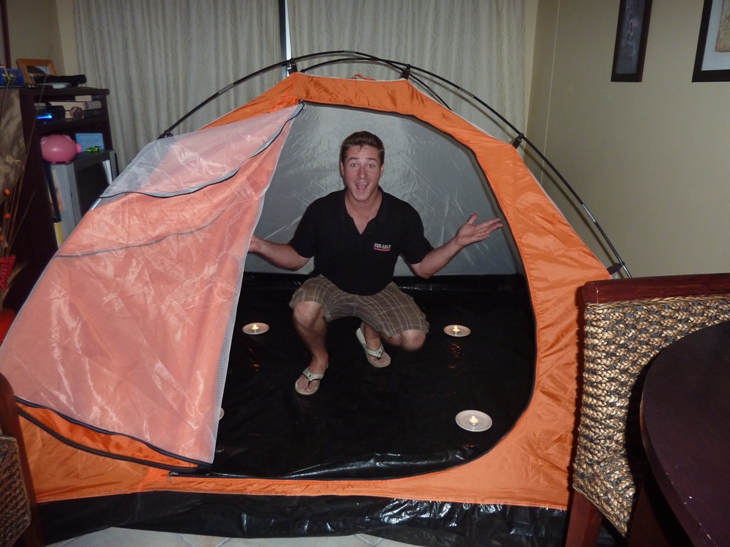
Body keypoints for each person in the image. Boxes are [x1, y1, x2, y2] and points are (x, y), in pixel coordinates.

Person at [248, 131, 502, 395]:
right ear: (342, 168)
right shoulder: (322, 210)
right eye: (354, 164)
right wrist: (259, 245)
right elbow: (296, 259)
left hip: (379, 289)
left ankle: (370, 329)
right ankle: (320, 359)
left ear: (381, 169)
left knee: (413, 339)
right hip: (329, 284)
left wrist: (457, 243)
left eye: (370, 165)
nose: (361, 174)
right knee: (303, 310)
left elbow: (424, 269)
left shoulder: (402, 215)